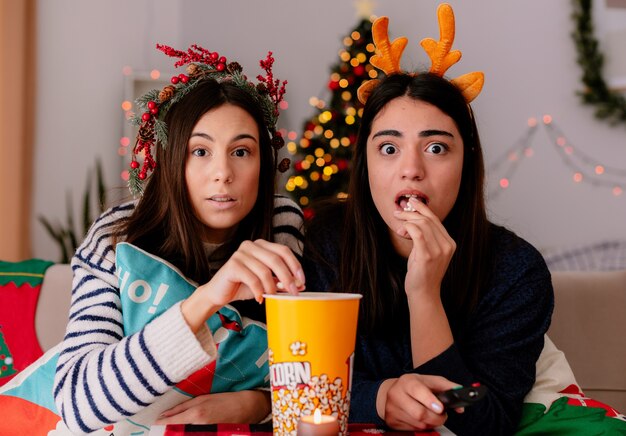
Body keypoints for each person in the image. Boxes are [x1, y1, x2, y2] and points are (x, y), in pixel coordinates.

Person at [303, 6, 553, 435]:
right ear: (365, 166)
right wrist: (379, 397)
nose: (411, 169)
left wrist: (424, 293)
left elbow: (484, 412)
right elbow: (292, 381)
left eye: (436, 148)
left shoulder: (516, 271)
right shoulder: (322, 244)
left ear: (466, 163)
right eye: (388, 148)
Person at [53, 44, 305, 434]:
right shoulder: (116, 236)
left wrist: (257, 404)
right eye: (200, 151)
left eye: (241, 151)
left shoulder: (280, 223)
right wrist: (206, 300)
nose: (222, 172)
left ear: (263, 164)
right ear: (172, 161)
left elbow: (306, 368)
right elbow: (77, 403)